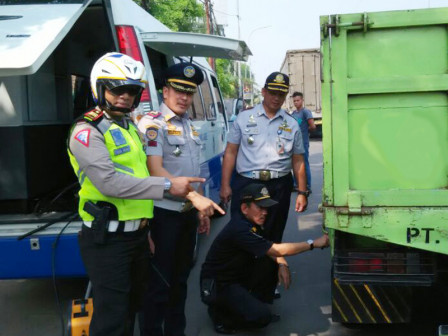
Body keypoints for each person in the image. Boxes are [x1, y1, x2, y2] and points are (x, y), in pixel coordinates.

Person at [67, 52, 220, 336]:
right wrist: (170, 189)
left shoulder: (127, 128)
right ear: (99, 87)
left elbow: (141, 178)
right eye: (117, 89)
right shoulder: (87, 130)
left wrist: (147, 226)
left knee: (135, 306)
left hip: (138, 232)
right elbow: (111, 183)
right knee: (117, 315)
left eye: (132, 90)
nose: (125, 96)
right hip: (109, 237)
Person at [137, 62, 224, 336]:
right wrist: (197, 200)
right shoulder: (153, 124)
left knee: (181, 281)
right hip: (163, 216)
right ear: (165, 91)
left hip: (186, 214)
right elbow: (155, 170)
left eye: (190, 92)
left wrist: (197, 209)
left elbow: (192, 173)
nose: (184, 97)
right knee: (158, 285)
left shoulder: (190, 126)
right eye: (179, 90)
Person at [201, 183, 329, 334]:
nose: (265, 212)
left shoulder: (252, 222)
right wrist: (313, 243)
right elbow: (276, 249)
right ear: (244, 208)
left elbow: (271, 247)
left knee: (271, 260)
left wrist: (282, 264)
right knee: (262, 318)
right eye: (260, 208)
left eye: (266, 208)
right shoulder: (240, 229)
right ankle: (221, 316)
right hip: (219, 286)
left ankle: (253, 302)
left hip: (235, 276)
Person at [220, 72, 308, 243]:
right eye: (273, 93)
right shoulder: (244, 118)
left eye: (281, 94)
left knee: (273, 234)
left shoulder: (291, 124)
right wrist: (225, 185)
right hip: (247, 184)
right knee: (242, 234)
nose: (276, 98)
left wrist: (302, 192)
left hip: (279, 186)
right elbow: (230, 152)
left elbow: (298, 160)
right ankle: (242, 270)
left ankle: (270, 270)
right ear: (263, 91)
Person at [291, 92, 316, 192]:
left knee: (304, 164)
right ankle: (296, 184)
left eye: (298, 100)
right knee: (295, 164)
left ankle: (308, 186)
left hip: (303, 142)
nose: (296, 102)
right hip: (295, 143)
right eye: (294, 101)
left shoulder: (306, 112)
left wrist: (304, 131)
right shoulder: (293, 114)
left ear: (302, 100)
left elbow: (313, 126)